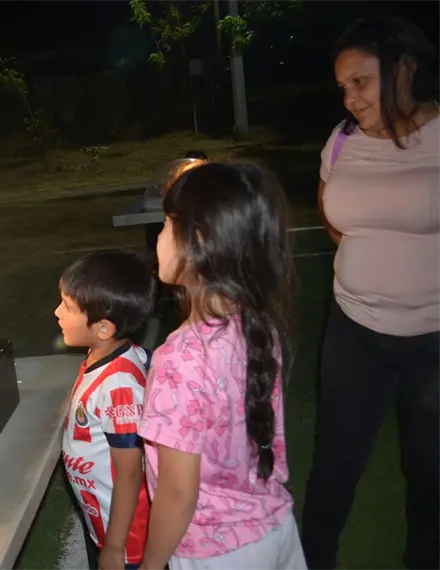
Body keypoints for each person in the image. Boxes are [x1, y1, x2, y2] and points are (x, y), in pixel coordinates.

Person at [301, 15, 440, 570]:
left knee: (429, 465)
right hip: (353, 328)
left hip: (434, 338)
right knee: (335, 460)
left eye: (361, 81)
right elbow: (332, 216)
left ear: (404, 67)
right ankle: (312, 561)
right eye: (342, 87)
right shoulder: (342, 142)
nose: (349, 99)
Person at [138, 163, 306, 570]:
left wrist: (150, 565)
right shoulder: (257, 323)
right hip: (275, 529)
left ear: (195, 241)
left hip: (217, 553)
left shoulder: (179, 360)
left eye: (164, 225)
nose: (157, 237)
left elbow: (178, 495)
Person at [54, 249, 159, 570]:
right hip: (101, 520)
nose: (57, 312)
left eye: (68, 307)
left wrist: (114, 548)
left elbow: (130, 472)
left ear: (103, 328)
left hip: (127, 540)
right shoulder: (103, 357)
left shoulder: (119, 387)